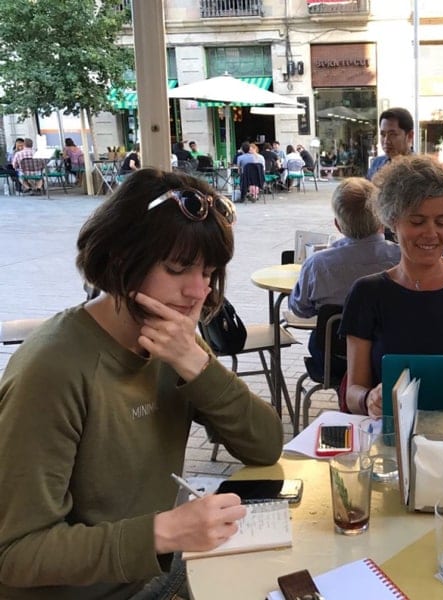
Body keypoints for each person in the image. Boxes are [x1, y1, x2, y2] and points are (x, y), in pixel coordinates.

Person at [0, 169, 284, 598]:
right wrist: (164, 531)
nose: (198, 292)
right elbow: (18, 553)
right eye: (177, 269)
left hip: (154, 575)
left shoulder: (178, 340)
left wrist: (197, 365)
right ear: (120, 260)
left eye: (209, 271)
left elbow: (265, 445)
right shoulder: (52, 369)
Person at [340, 155, 443, 416]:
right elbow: (353, 392)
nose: (431, 233)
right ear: (392, 222)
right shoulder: (367, 294)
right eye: (417, 221)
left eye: (442, 222)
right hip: (392, 440)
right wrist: (369, 398)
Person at [289, 178, 400, 379]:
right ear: (383, 219)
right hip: (388, 360)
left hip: (333, 362)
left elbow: (300, 309)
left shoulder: (316, 264)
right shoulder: (402, 259)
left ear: (337, 225)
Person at [366, 107, 414, 181]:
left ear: (410, 136)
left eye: (393, 134)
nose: (386, 141)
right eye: (383, 134)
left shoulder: (419, 170)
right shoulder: (376, 164)